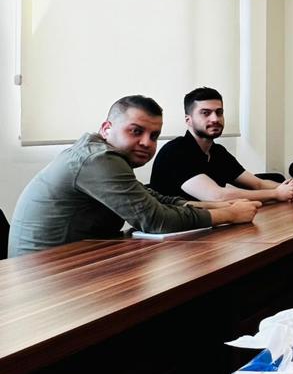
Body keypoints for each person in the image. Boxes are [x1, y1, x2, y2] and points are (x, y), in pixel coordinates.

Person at [7, 95, 261, 257]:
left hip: (73, 263)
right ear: (106, 128)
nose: (147, 143)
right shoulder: (98, 159)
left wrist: (220, 206)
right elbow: (156, 219)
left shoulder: (105, 155)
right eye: (136, 131)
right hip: (43, 280)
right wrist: (230, 215)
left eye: (154, 136)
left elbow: (152, 199)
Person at [150, 87, 293, 203]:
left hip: (210, 224)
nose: (215, 119)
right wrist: (277, 194)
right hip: (174, 233)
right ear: (188, 120)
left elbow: (257, 184)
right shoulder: (175, 151)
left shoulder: (217, 152)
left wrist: (291, 188)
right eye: (205, 113)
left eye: (219, 112)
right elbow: (217, 196)